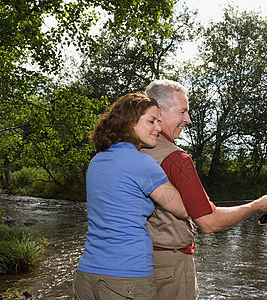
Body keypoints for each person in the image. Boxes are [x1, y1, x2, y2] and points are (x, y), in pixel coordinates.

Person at [141, 79, 267, 300]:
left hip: (134, 263)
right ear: (159, 113)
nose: (187, 119)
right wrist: (258, 206)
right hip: (170, 268)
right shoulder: (177, 159)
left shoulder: (129, 149)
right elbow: (208, 223)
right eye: (182, 112)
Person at [74, 93, 188, 300]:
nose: (158, 128)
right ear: (129, 123)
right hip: (126, 277)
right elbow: (184, 209)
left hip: (87, 274)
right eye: (151, 121)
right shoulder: (142, 163)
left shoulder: (97, 160)